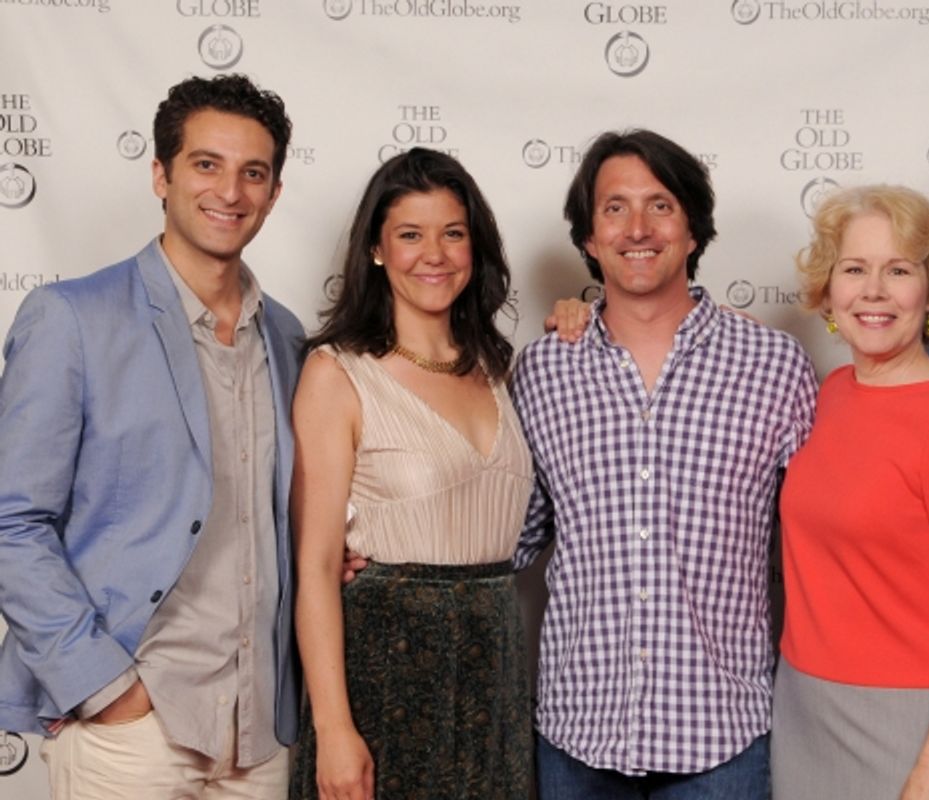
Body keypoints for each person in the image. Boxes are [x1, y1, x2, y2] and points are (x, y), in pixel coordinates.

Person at [0, 74, 303, 798]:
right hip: (132, 727)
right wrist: (102, 684)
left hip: (260, 735)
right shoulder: (70, 318)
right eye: (207, 164)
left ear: (274, 192)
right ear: (161, 175)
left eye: (252, 172)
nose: (230, 191)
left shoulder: (289, 338)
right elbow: (12, 520)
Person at [512, 129, 818, 799]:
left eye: (661, 204)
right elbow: (511, 537)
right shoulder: (541, 371)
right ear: (588, 239)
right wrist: (383, 551)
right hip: (578, 732)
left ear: (694, 231)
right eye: (614, 208)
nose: (637, 227)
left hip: (724, 736)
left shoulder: (774, 367)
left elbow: (822, 543)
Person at [287, 148, 533, 800]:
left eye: (453, 233)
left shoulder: (503, 371)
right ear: (376, 250)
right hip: (383, 671)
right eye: (410, 234)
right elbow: (314, 567)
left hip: (494, 671)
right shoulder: (337, 374)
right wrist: (334, 726)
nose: (435, 253)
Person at [773, 184, 929, 800]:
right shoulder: (829, 394)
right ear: (830, 288)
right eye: (855, 269)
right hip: (803, 708)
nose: (874, 291)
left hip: (912, 717)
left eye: (898, 270)